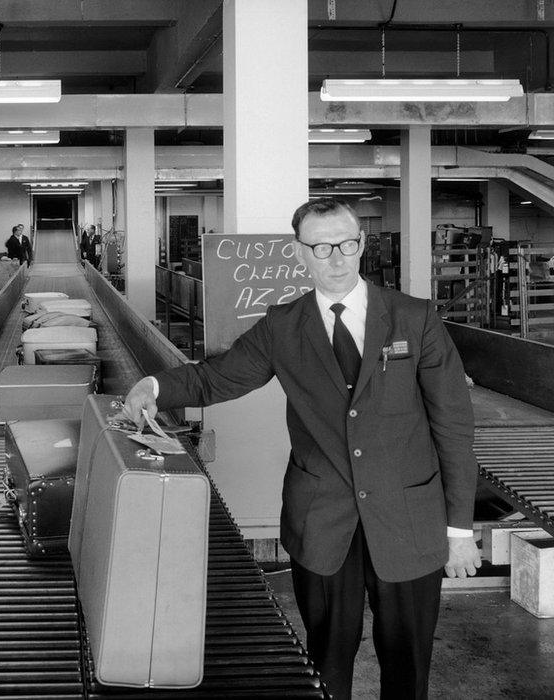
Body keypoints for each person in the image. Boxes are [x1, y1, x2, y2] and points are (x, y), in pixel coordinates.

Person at [122, 198, 480, 700]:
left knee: (408, 658)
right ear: (300, 254)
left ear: (362, 245)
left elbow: (453, 427)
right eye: (321, 247)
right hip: (323, 522)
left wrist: (459, 529)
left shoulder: (414, 319)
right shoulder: (282, 326)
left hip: (409, 519)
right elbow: (216, 379)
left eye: (347, 244)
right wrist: (155, 387)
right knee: (327, 660)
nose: (337, 258)